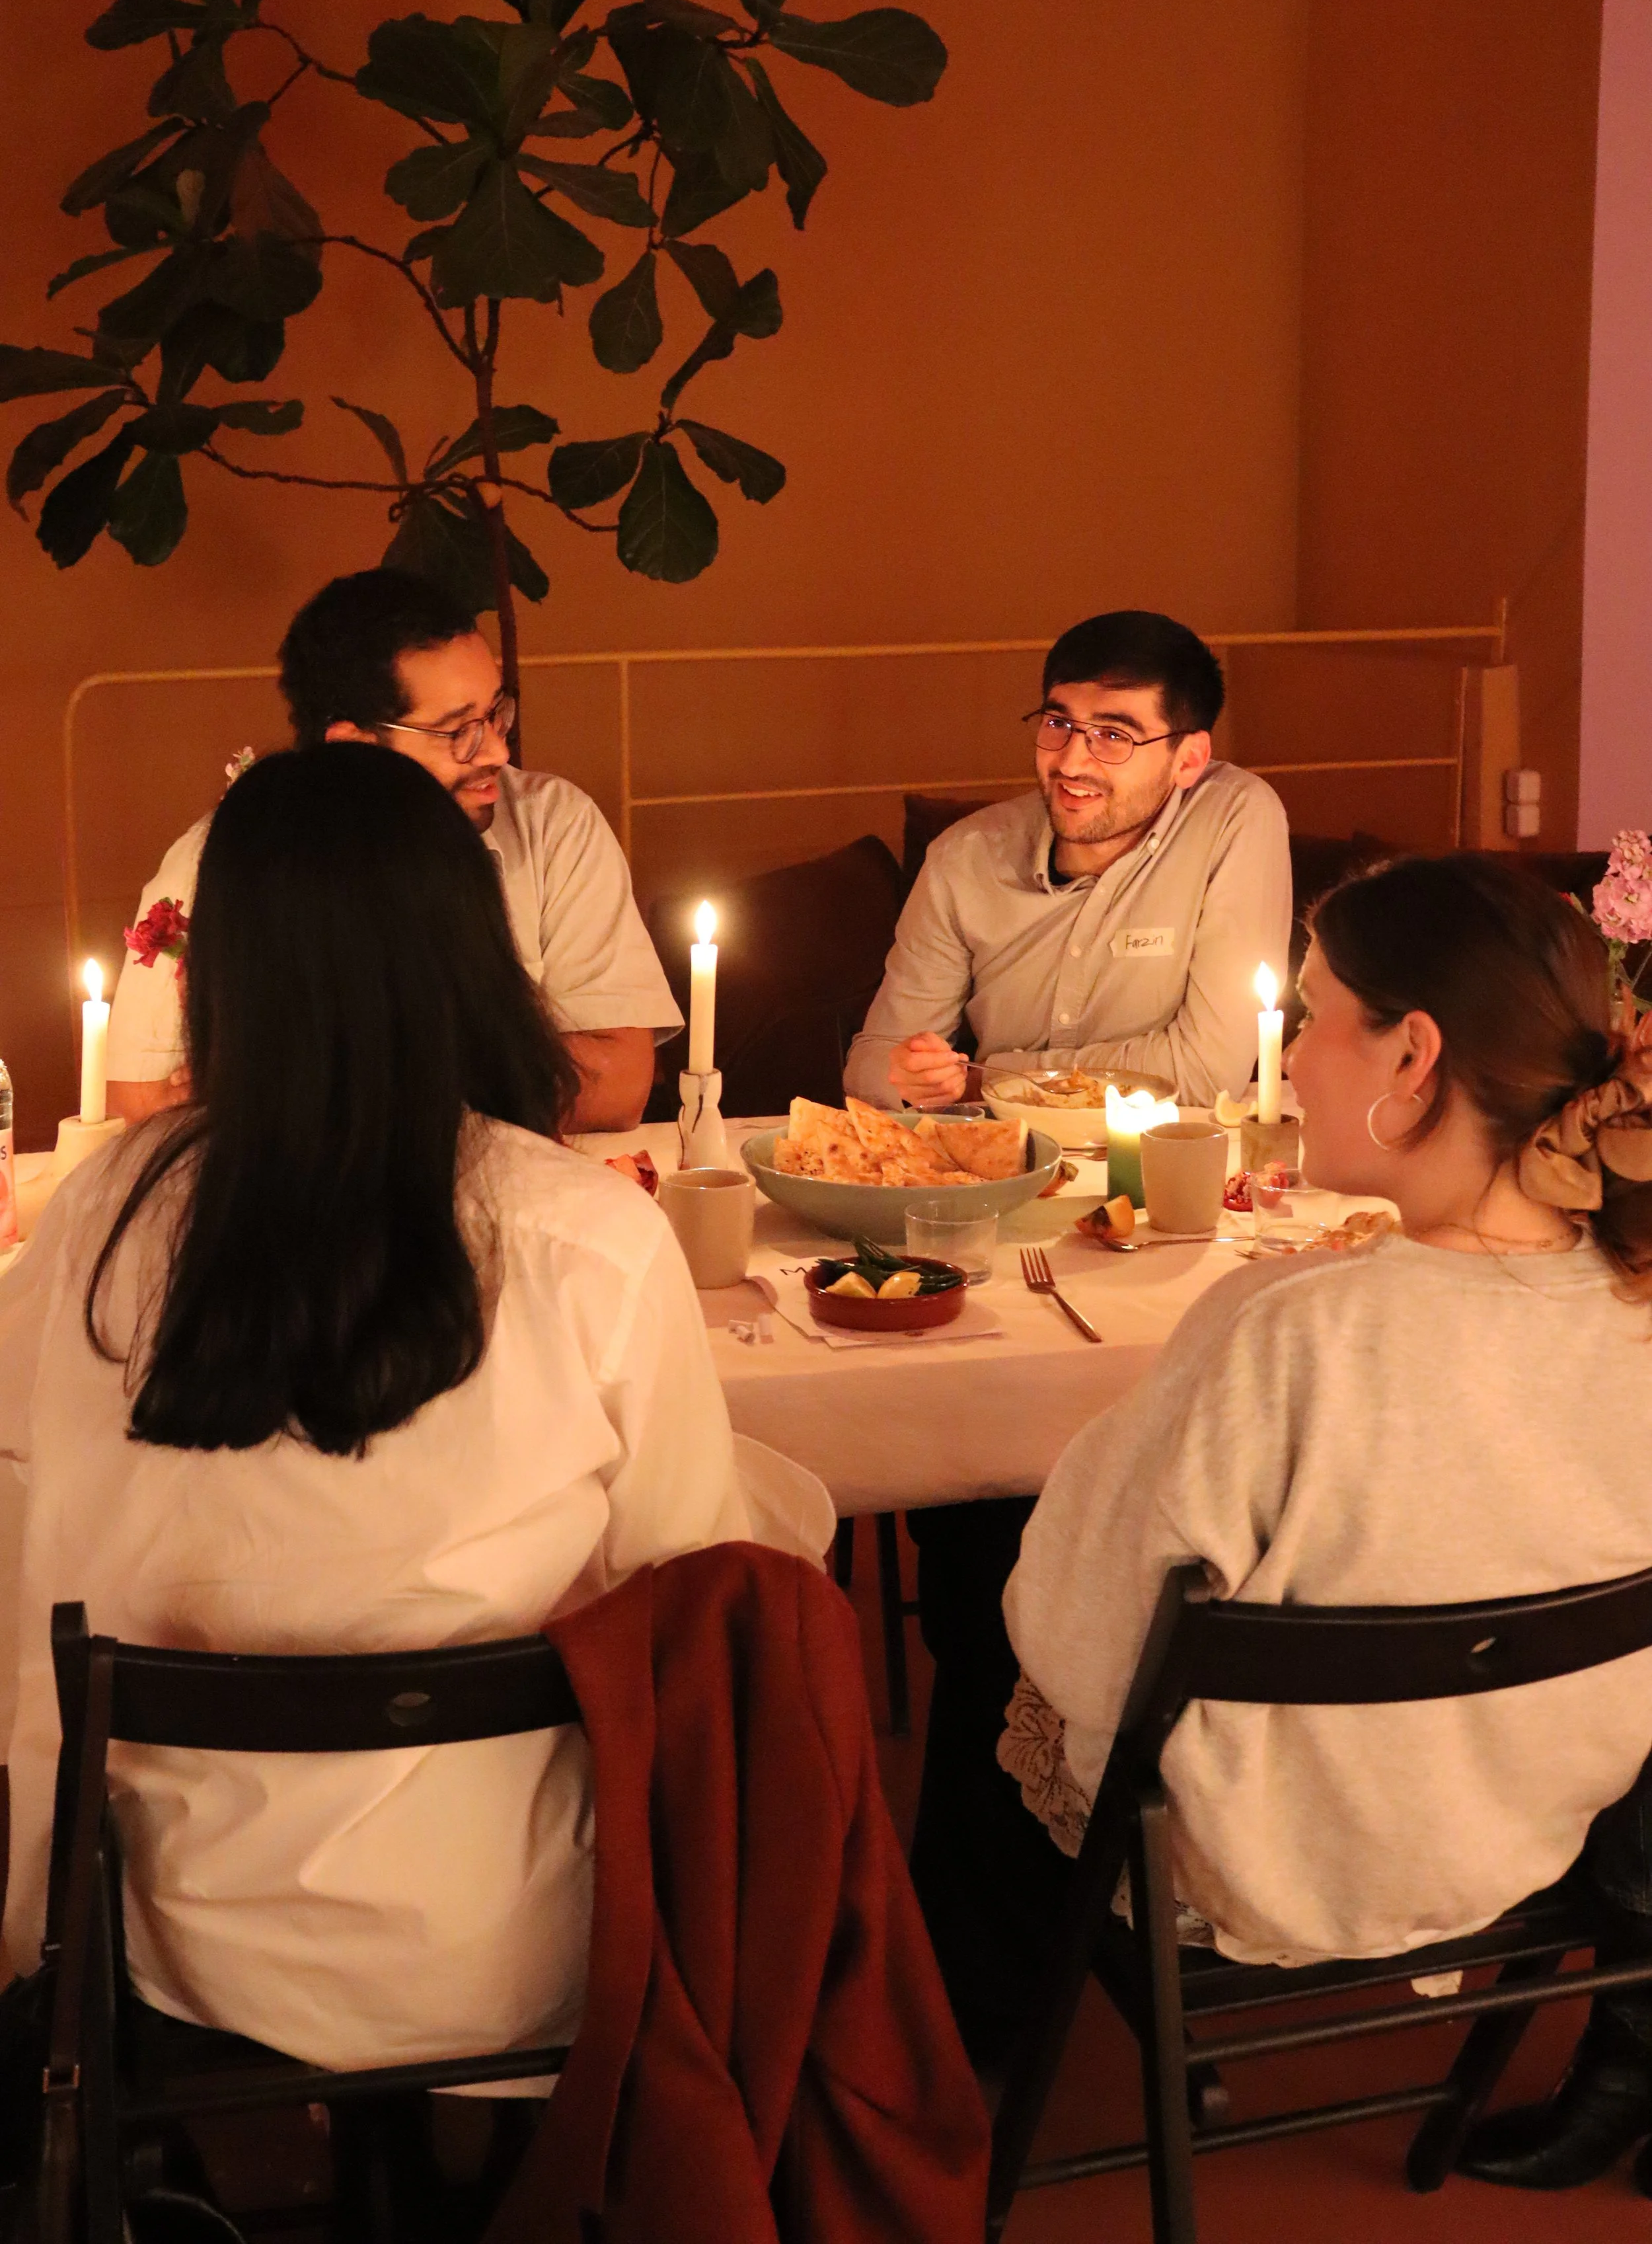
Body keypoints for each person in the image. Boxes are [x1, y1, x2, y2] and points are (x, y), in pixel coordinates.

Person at [0, 743, 829, 2083]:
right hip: (509, 1931)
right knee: (774, 1536)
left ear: (221, 975)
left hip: (171, 1928)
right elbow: (687, 1583)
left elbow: (23, 1465)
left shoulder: (105, 1207)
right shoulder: (580, 1233)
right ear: (472, 948)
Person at [913, 854, 1652, 2064]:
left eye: (1311, 1016)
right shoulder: (1633, 1306)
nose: (1291, 1057)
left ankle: (950, 2061)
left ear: (1414, 1056)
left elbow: (1080, 1641)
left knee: (994, 1606)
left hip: (1271, 1856)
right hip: (1520, 1831)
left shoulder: (1291, 1330)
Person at [106, 568, 677, 1134]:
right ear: (356, 747)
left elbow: (620, 1080)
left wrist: (318, 1086)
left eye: (497, 713)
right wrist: (504, 1069)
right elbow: (144, 1100)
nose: (499, 752)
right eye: (460, 731)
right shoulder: (226, 863)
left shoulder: (552, 825)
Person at [842, 610, 1291, 1112]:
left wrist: (984, 1082)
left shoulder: (1233, 817)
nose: (1071, 762)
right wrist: (908, 1075)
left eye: (1114, 736)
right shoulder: (964, 858)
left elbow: (1207, 1073)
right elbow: (872, 1064)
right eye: (1059, 724)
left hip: (1160, 1163)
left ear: (1187, 760)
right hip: (998, 1171)